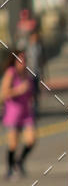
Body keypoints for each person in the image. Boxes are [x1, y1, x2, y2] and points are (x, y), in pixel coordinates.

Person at [1, 49, 36, 178]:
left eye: (24, 60)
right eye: (20, 60)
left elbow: (31, 92)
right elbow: (3, 94)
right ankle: (10, 169)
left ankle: (19, 162)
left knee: (31, 140)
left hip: (26, 113)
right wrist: (18, 90)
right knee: (13, 143)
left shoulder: (27, 74)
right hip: (13, 113)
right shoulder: (11, 73)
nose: (23, 62)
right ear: (14, 61)